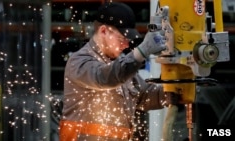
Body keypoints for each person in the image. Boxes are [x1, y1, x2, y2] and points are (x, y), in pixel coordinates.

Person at [59, 2, 177, 141]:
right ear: (103, 31)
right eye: (122, 39)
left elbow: (144, 96)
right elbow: (106, 78)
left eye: (128, 40)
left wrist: (173, 91)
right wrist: (141, 52)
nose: (126, 45)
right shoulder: (79, 62)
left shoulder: (120, 65)